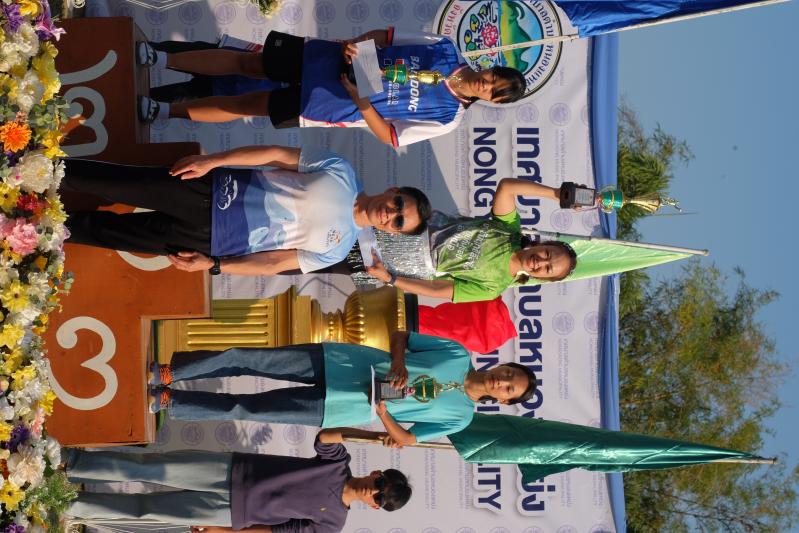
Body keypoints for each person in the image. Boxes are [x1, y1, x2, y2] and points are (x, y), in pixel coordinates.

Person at [61, 145, 431, 275]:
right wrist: (212, 160)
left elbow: (273, 264)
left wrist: (214, 265)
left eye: (399, 221)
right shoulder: (342, 171)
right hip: (211, 190)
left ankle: (38, 227)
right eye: (399, 204)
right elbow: (273, 154)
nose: (391, 213)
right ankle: (41, 167)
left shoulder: (338, 248)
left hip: (209, 239)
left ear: (392, 232)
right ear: (393, 190)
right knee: (115, 183)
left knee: (108, 234)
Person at [135, 28, 526, 147]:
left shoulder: (448, 118)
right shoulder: (444, 47)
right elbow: (387, 36)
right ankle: (161, 58)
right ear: (492, 68)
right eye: (494, 77)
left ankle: (163, 111)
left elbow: (391, 135)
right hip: (326, 59)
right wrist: (356, 44)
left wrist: (361, 101)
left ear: (491, 101)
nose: (487, 84)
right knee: (247, 63)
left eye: (494, 91)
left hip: (334, 105)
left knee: (247, 105)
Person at [147, 331, 537, 446]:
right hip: (339, 360)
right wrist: (398, 363)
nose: (502, 381)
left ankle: (172, 400)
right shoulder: (457, 352)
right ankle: (172, 371)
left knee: (246, 409)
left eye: (509, 389)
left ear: (503, 401)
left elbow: (407, 439)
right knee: (247, 357)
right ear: (502, 364)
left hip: (339, 407)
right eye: (508, 374)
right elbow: (401, 336)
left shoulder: (461, 417)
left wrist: (384, 416)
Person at [65, 428, 412, 532]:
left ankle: (71, 506)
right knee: (148, 467)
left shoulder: (332, 524)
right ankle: (71, 462)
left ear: (375, 507)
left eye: (380, 499)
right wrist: (372, 435)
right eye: (380, 485)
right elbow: (325, 437)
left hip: (229, 514)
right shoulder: (338, 463)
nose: (374, 492)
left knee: (147, 510)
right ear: (377, 473)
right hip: (229, 468)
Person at [355, 178, 579, 302]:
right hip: (405, 223)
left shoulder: (493, 288)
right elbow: (507, 187)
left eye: (547, 268)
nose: (541, 262)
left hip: (396, 262)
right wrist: (556, 193)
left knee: (336, 255)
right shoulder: (509, 228)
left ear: (542, 278)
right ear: (543, 244)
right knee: (349, 216)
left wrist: (390, 279)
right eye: (547, 254)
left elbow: (436, 289)